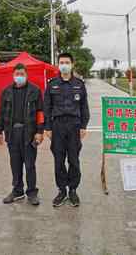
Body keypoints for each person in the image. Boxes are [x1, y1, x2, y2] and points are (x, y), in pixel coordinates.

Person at [44, 53, 90, 207]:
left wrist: (83, 126)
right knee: (59, 160)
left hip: (74, 126)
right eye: (61, 62)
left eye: (67, 62)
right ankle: (62, 190)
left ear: (72, 64)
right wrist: (48, 127)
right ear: (58, 64)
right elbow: (47, 107)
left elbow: (84, 107)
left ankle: (73, 190)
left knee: (74, 160)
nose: (64, 65)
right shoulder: (51, 84)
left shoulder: (79, 84)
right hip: (57, 126)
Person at [0, 63, 45, 205]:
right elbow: (1, 113)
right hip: (12, 133)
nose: (19, 76)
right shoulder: (6, 92)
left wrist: (39, 131)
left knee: (30, 165)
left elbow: (40, 113)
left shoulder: (35, 91)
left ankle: (31, 192)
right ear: (13, 75)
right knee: (15, 164)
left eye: (22, 74)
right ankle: (17, 191)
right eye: (17, 74)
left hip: (29, 133)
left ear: (26, 75)